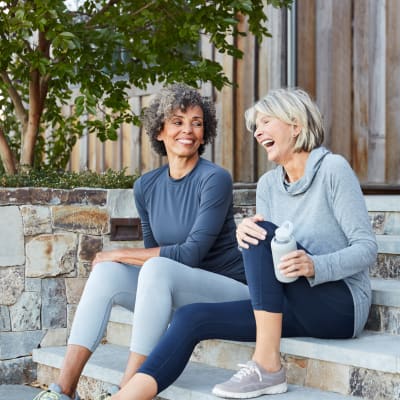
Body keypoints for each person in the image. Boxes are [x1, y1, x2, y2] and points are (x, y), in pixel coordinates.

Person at [103, 87, 378, 400]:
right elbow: (271, 260)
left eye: (265, 123)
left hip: (340, 304)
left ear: (295, 126)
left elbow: (366, 248)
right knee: (191, 317)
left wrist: (316, 264)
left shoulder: (332, 170)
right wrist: (247, 236)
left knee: (257, 233)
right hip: (290, 301)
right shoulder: (269, 185)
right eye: (255, 127)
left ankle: (267, 365)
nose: (258, 132)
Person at [33, 83, 250, 400]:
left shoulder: (214, 179)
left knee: (155, 267)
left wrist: (119, 252)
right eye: (177, 121)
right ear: (160, 131)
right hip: (179, 291)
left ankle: (127, 391)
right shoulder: (146, 186)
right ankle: (63, 391)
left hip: (229, 290)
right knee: (108, 273)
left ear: (205, 134)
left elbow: (189, 254)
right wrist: (118, 261)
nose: (187, 130)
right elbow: (153, 250)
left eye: (197, 123)